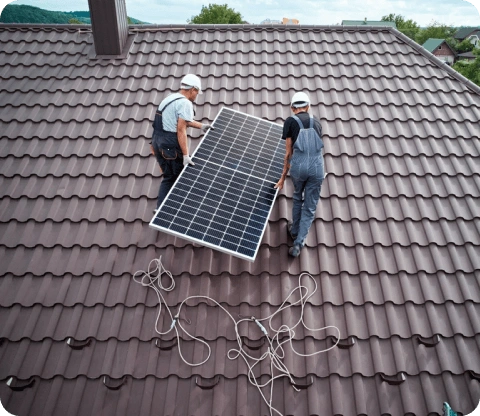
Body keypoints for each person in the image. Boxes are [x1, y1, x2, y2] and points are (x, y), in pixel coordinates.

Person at [151, 74, 213, 210]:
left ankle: (160, 208)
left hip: (157, 142)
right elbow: (181, 130)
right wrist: (185, 155)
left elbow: (182, 120)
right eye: (197, 92)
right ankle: (177, 210)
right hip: (169, 145)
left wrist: (201, 126)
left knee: (168, 176)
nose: (196, 96)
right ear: (193, 90)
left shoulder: (170, 98)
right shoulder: (185, 103)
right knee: (180, 176)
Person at [274, 92, 325, 257]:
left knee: (297, 197)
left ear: (292, 108)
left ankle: (294, 230)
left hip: (299, 166)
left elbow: (288, 153)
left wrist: (282, 178)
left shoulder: (290, 121)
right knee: (310, 207)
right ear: (308, 107)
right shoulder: (316, 121)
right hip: (317, 166)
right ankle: (298, 244)